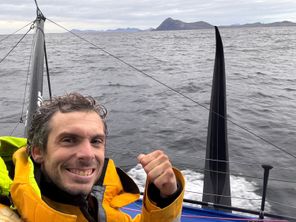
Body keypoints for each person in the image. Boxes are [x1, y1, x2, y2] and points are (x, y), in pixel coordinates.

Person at [0, 92, 185, 222]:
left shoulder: (97, 200)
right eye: (69, 140)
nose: (88, 154)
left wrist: (164, 197)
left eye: (96, 141)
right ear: (38, 151)